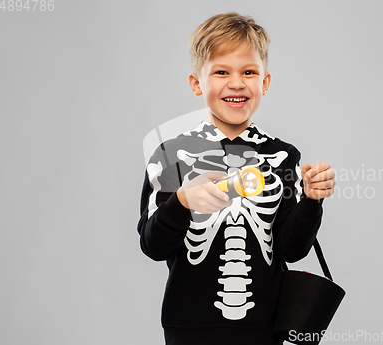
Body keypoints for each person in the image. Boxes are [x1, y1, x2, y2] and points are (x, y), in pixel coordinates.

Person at [137, 12, 336, 345]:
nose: (236, 83)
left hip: (264, 330)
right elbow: (152, 245)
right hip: (188, 330)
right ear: (196, 82)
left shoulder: (283, 155)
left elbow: (291, 248)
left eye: (249, 72)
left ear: (265, 82)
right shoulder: (171, 154)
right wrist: (182, 201)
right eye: (221, 72)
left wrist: (312, 200)